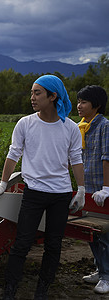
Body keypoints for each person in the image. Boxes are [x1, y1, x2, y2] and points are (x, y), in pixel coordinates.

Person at [0, 75, 85, 300]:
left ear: (53, 96)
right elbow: (13, 154)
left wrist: (82, 190)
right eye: (31, 93)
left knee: (53, 245)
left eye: (37, 93)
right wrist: (2, 184)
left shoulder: (70, 128)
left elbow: (76, 159)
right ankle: (9, 291)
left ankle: (42, 291)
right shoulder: (25, 123)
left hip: (61, 194)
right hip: (34, 193)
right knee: (21, 244)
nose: (32, 98)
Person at [76, 85, 109, 294]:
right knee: (91, 233)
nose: (79, 106)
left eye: (83, 102)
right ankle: (100, 269)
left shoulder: (105, 126)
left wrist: (106, 187)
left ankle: (107, 276)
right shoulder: (82, 127)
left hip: (102, 190)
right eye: (78, 101)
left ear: (96, 105)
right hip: (88, 189)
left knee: (105, 235)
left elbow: (107, 158)